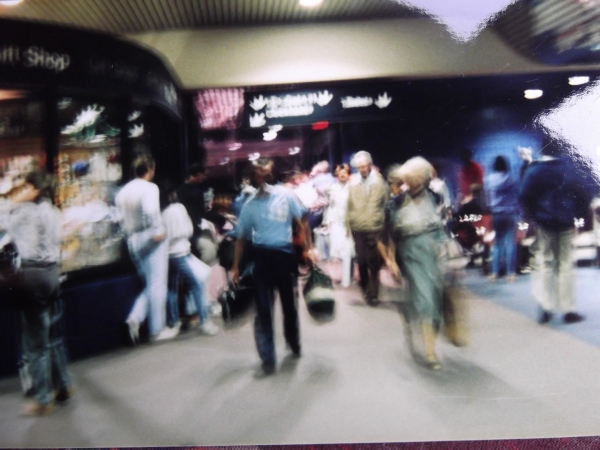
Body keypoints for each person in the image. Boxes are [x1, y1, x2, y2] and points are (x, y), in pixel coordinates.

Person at [230, 158, 312, 375]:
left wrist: (306, 248)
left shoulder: (285, 195)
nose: (259, 177)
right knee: (263, 310)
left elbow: (302, 219)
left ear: (270, 174)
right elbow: (240, 237)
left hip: (284, 256)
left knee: (289, 306)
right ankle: (267, 356)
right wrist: (235, 267)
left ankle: (293, 342)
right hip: (262, 258)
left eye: (263, 173)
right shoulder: (249, 205)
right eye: (255, 174)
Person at [7, 171, 73, 415]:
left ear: (31, 187)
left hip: (32, 277)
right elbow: (58, 238)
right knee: (54, 336)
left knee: (35, 344)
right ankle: (63, 385)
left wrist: (16, 200)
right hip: (53, 274)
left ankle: (43, 399)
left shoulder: (21, 212)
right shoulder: (53, 211)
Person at [519, 138, 592, 324]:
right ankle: (568, 310)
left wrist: (534, 217)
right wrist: (579, 216)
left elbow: (524, 196)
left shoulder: (534, 170)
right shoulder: (568, 168)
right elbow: (583, 192)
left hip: (544, 225)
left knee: (544, 264)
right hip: (566, 223)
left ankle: (545, 308)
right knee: (565, 265)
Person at [383, 158, 445, 370]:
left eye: (421, 178)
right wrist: (391, 260)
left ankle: (419, 323)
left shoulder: (435, 198)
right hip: (410, 253)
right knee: (425, 297)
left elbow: (441, 228)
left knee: (435, 298)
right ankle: (430, 352)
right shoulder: (397, 203)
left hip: (433, 253)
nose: (417, 181)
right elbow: (390, 235)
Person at [116, 155, 171, 343]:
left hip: (132, 239)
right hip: (150, 236)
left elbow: (119, 219)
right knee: (158, 284)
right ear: (150, 169)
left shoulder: (122, 192)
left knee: (150, 284)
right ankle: (157, 329)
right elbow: (151, 211)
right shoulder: (149, 188)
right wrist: (159, 230)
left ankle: (135, 318)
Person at [161, 182, 219, 336]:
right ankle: (203, 321)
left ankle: (174, 322)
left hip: (171, 254)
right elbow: (188, 230)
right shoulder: (180, 208)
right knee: (198, 282)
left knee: (172, 288)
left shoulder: (164, 213)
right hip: (181, 253)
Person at [346, 151, 389, 306]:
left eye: (365, 165)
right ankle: (365, 286)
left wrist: (382, 222)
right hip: (357, 225)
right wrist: (348, 223)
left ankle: (373, 293)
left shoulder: (379, 181)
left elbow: (386, 202)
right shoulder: (352, 182)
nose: (363, 169)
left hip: (374, 225)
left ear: (370, 165)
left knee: (374, 261)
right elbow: (348, 204)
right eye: (360, 166)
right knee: (362, 260)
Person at [485, 156, 520, 282]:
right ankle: (510, 274)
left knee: (497, 243)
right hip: (510, 214)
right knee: (510, 243)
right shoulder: (512, 179)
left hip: (496, 214)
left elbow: (487, 197)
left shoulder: (488, 179)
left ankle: (494, 273)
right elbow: (517, 197)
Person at [323, 163, 355, 287]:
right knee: (339, 251)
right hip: (336, 223)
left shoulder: (353, 187)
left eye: (344, 173)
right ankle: (344, 276)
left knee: (348, 251)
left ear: (348, 174)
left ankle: (346, 280)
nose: (342, 176)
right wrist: (327, 222)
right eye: (340, 174)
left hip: (350, 223)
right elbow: (330, 206)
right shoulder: (333, 188)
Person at [177, 163, 209, 259]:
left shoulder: (179, 190)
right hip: (193, 226)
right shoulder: (198, 191)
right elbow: (202, 212)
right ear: (198, 174)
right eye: (203, 175)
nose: (204, 177)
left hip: (182, 227)